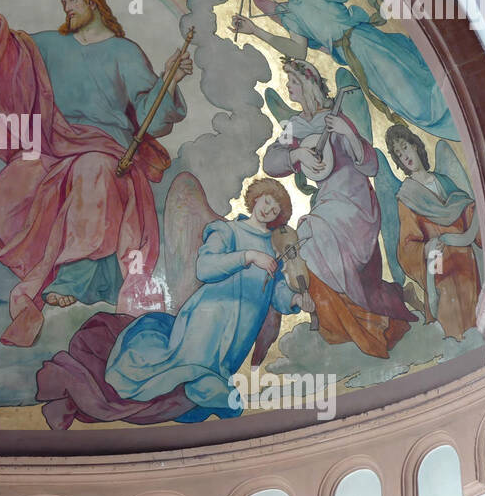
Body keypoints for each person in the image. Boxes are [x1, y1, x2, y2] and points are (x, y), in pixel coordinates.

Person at [0, 0, 192, 347]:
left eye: (73, 1)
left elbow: (150, 116)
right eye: (65, 3)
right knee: (14, 183)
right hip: (54, 146)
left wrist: (169, 82)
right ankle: (45, 269)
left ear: (93, 3)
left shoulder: (124, 52)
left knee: (91, 169)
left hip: (105, 146)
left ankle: (72, 277)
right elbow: (0, 52)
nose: (68, 8)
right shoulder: (49, 45)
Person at [36, 178, 310, 428]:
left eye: (275, 209)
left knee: (218, 367)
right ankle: (187, 386)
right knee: (193, 362)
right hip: (210, 316)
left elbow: (277, 292)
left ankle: (200, 390)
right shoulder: (227, 231)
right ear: (255, 199)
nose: (268, 210)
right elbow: (205, 268)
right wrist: (247, 256)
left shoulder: (274, 249)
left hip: (243, 328)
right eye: (266, 201)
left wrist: (296, 298)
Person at [262, 57, 414, 358]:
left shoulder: (335, 117)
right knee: (308, 234)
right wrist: (298, 155)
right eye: (288, 82)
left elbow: (370, 165)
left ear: (307, 84)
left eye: (292, 82)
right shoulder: (295, 127)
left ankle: (352, 319)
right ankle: (341, 323)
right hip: (328, 200)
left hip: (355, 201)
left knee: (311, 229)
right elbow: (270, 161)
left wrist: (346, 133)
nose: (288, 88)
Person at [230, 0, 458, 141]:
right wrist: (255, 31)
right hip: (353, 59)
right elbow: (297, 50)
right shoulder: (291, 13)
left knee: (412, 90)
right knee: (398, 100)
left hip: (365, 41)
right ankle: (454, 123)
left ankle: (453, 107)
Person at [386, 125, 482, 339]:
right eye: (399, 155)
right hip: (437, 258)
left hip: (464, 254)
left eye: (405, 148)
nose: (405, 156)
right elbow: (407, 244)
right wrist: (427, 247)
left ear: (415, 145)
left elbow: (465, 210)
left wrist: (475, 208)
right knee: (445, 295)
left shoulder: (443, 180)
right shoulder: (407, 196)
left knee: (474, 301)